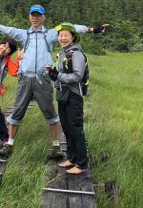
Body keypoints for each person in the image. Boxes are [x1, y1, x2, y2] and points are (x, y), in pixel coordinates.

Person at [0, 4, 108, 159]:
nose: (35, 18)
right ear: (29, 17)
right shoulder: (23, 34)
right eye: (33, 15)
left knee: (50, 112)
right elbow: (3, 28)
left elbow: (70, 28)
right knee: (17, 111)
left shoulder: (50, 34)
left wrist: (91, 29)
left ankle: (56, 146)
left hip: (43, 78)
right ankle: (9, 143)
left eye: (38, 15)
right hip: (25, 78)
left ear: (43, 17)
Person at [46, 23, 89, 175]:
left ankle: (82, 164)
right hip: (63, 95)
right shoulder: (63, 53)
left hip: (74, 96)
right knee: (67, 127)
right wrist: (53, 74)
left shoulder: (76, 54)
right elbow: (62, 76)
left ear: (73, 37)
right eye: (60, 35)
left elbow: (77, 76)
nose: (62, 38)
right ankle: (72, 158)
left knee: (76, 129)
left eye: (66, 35)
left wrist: (58, 75)